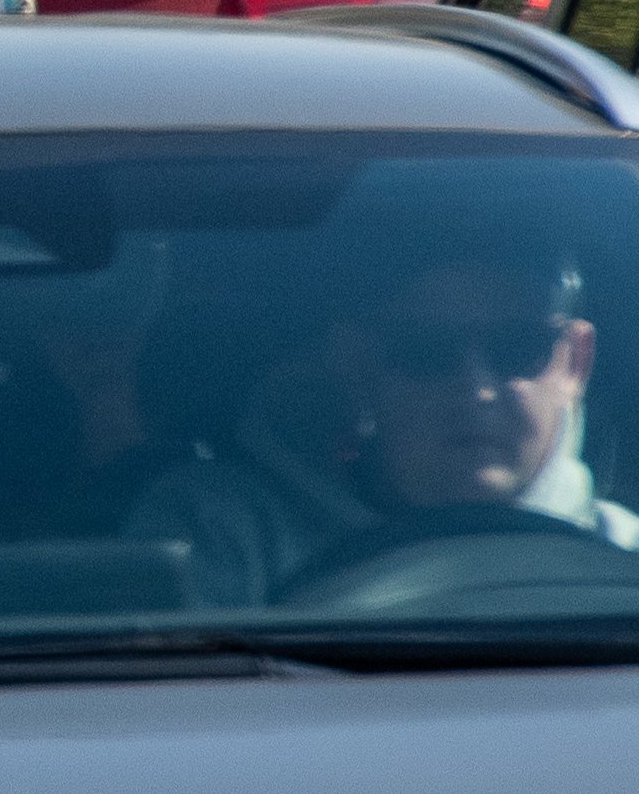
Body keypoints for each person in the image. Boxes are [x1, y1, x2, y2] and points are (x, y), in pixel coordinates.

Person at [137, 249, 639, 599]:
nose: (477, 390)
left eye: (517, 349)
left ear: (575, 362)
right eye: (426, 353)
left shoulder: (627, 557)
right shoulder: (222, 540)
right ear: (355, 367)